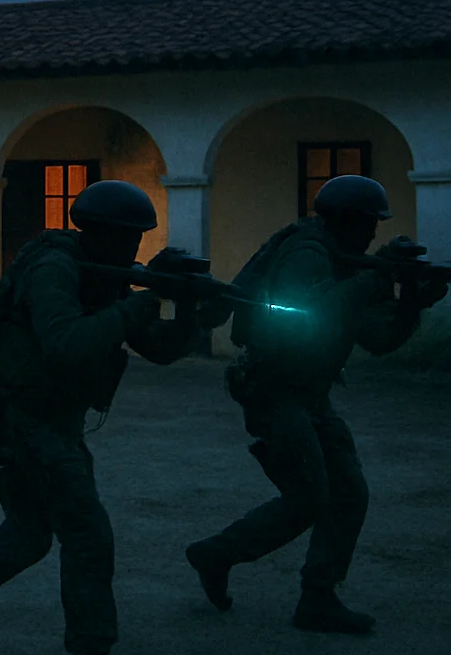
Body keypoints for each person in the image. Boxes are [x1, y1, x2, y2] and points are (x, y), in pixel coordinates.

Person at [0, 180, 204, 655]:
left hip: (56, 423)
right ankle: (90, 642)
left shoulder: (103, 274)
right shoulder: (55, 268)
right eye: (125, 237)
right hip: (29, 419)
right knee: (88, 536)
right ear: (96, 232)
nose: (132, 248)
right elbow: (65, 343)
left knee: (27, 536)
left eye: (137, 238)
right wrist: (144, 298)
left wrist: (188, 308)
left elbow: (159, 349)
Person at [185, 174, 447, 634]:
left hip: (311, 392)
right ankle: (218, 554)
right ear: (346, 221)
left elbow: (378, 339)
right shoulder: (308, 253)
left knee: (348, 492)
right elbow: (302, 316)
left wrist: (411, 301)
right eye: (368, 225)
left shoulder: (346, 264)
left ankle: (317, 597)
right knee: (307, 498)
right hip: (273, 387)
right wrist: (374, 279)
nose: (372, 235)